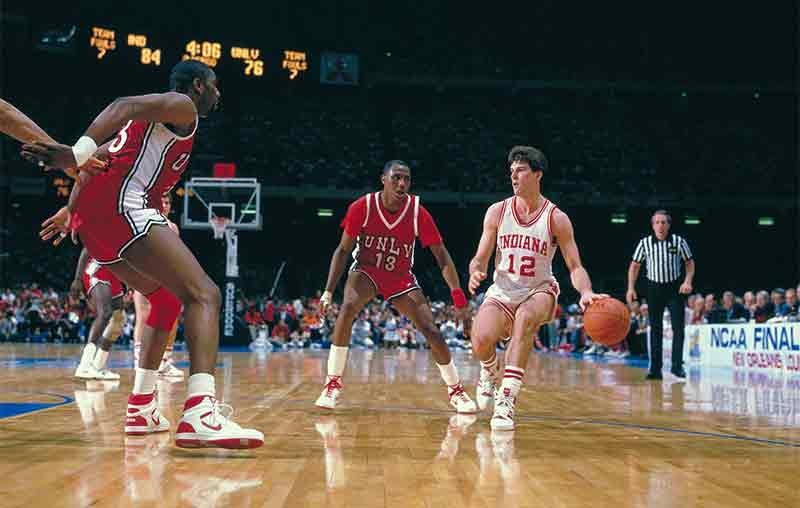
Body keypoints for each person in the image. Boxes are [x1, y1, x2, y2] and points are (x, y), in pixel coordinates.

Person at [29, 60, 262, 449]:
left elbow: (93, 165)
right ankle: (199, 413)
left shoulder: (148, 127)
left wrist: (72, 209)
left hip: (95, 221)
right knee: (205, 295)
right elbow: (123, 104)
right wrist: (76, 149)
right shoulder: (181, 105)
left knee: (165, 297)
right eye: (216, 86)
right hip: (125, 207)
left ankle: (141, 406)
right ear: (199, 86)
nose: (219, 95)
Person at [315, 160, 476, 413]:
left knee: (431, 330)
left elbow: (442, 256)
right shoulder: (363, 207)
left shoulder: (417, 211)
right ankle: (332, 383)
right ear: (383, 179)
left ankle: (456, 390)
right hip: (366, 271)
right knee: (347, 308)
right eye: (396, 178)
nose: (402, 184)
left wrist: (459, 299)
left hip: (400, 277)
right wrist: (327, 292)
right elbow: (343, 249)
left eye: (407, 179)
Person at [468, 146, 606, 430]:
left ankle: (506, 401)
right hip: (503, 291)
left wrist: (586, 292)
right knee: (480, 340)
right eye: (511, 172)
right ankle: (490, 370)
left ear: (537, 175)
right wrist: (476, 271)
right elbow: (479, 258)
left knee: (526, 319)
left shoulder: (556, 218)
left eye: (520, 171)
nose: (514, 177)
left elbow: (575, 265)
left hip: (539, 290)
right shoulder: (497, 211)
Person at [627, 210, 695, 380]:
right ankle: (655, 369)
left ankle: (677, 367)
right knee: (655, 329)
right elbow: (634, 266)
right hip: (654, 288)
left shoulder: (679, 242)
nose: (660, 225)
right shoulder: (645, 243)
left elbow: (689, 263)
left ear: (669, 225)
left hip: (674, 288)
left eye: (663, 222)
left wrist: (687, 281)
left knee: (678, 328)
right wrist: (630, 288)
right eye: (657, 222)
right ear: (652, 225)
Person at [132, 193, 184, 379]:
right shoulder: (142, 221)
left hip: (167, 277)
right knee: (143, 316)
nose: (165, 205)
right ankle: (139, 360)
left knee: (173, 317)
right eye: (161, 201)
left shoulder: (173, 227)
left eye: (168, 202)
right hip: (144, 274)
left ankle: (165, 361)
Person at [72, 247, 125, 380]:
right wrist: (77, 279)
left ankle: (98, 366)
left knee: (118, 320)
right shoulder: (112, 227)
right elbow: (86, 249)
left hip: (115, 272)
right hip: (97, 267)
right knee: (105, 313)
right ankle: (84, 366)